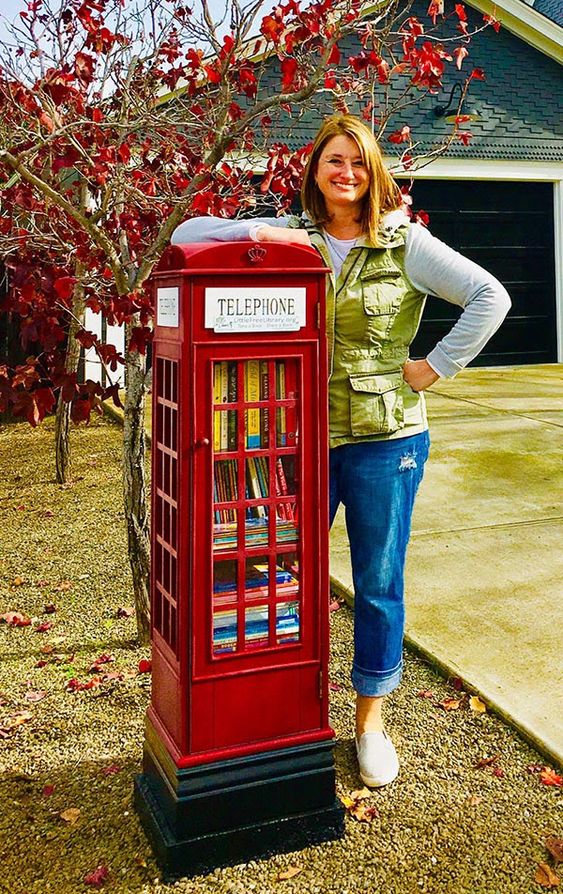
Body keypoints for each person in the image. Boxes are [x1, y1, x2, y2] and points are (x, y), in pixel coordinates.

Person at [171, 114, 511, 788]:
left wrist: (434, 366)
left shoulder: (405, 244)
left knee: (378, 585)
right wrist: (254, 232)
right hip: (295, 442)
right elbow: (184, 236)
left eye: (358, 162)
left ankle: (368, 724)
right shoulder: (292, 236)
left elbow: (487, 295)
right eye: (334, 161)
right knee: (272, 573)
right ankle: (276, 715)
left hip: (387, 442)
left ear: (373, 171)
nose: (346, 174)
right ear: (315, 170)